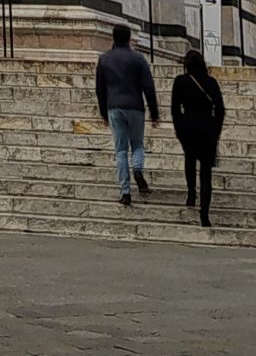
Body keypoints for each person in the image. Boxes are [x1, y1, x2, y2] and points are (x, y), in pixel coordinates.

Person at [95, 24, 158, 206]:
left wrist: (103, 113)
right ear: (129, 38)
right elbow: (148, 87)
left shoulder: (104, 59)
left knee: (121, 150)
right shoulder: (138, 59)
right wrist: (154, 113)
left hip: (114, 107)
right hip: (135, 106)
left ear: (113, 38)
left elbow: (100, 89)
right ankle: (138, 169)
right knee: (137, 144)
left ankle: (125, 191)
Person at [170, 47, 226, 229]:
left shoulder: (180, 81)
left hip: (188, 128)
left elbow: (175, 109)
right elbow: (220, 109)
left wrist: (179, 129)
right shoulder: (211, 83)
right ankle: (204, 214)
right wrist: (216, 130)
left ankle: (191, 192)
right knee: (206, 173)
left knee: (189, 160)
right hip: (207, 130)